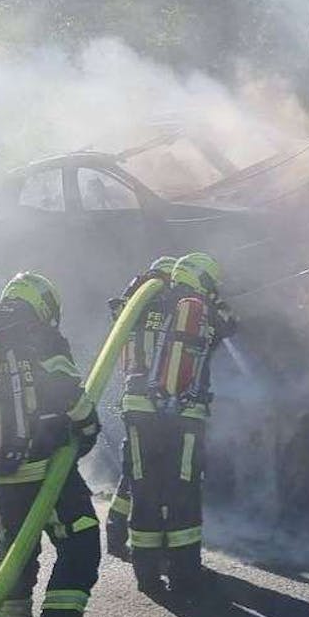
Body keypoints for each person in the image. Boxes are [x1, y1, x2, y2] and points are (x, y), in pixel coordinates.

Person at [0, 272, 103, 617]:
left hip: (0, 473)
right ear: (45, 304)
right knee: (81, 543)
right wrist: (88, 429)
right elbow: (67, 392)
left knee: (17, 557)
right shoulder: (41, 337)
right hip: (46, 469)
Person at [103, 253, 236, 598]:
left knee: (144, 487)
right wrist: (213, 298)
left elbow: (118, 318)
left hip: (137, 410)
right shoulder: (201, 308)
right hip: (185, 414)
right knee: (183, 492)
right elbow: (230, 327)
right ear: (204, 280)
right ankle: (185, 574)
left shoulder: (143, 304)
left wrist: (140, 284)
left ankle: (147, 574)